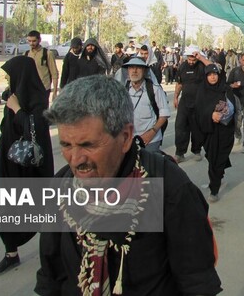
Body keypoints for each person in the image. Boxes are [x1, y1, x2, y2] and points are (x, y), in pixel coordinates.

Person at [35, 75, 222, 295]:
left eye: (88, 145)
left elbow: (197, 283)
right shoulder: (61, 188)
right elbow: (50, 275)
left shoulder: (169, 189)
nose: (76, 160)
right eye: (66, 145)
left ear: (125, 137)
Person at [0, 56, 54, 276]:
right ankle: (10, 254)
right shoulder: (13, 96)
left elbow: (36, 131)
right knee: (4, 210)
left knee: (37, 212)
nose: (8, 80)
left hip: (29, 170)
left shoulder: (37, 100)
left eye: (10, 76)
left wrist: (17, 110)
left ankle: (52, 255)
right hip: (8, 167)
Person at [196, 64, 236, 202]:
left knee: (218, 159)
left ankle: (214, 189)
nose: (212, 77)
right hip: (208, 131)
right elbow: (198, 111)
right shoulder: (201, 91)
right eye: (209, 74)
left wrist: (221, 114)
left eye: (215, 74)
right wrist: (210, 114)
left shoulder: (225, 89)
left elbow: (232, 108)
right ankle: (218, 177)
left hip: (225, 131)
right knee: (212, 157)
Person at [123, 57, 170, 153]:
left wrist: (152, 132)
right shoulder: (123, 90)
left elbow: (164, 114)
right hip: (129, 140)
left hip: (150, 141)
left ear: (144, 71)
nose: (134, 71)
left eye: (138, 68)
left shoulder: (155, 90)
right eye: (131, 67)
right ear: (128, 70)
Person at [174, 48, 211, 162]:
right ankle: (180, 153)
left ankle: (196, 150)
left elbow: (214, 68)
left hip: (199, 103)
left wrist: (201, 58)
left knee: (197, 128)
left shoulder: (202, 66)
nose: (191, 62)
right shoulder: (182, 67)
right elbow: (179, 83)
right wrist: (175, 96)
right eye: (189, 59)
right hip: (184, 102)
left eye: (193, 60)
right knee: (180, 127)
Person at [25, 30, 59, 101]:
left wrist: (55, 92)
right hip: (29, 89)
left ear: (39, 40)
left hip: (43, 89)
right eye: (29, 41)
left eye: (34, 41)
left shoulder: (47, 54)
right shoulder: (26, 54)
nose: (31, 43)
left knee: (42, 111)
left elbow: (54, 74)